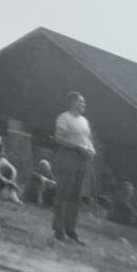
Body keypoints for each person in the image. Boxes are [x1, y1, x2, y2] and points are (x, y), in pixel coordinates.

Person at [51, 92, 96, 246]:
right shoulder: (64, 118)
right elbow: (58, 138)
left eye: (84, 102)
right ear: (72, 102)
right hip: (68, 156)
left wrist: (91, 149)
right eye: (81, 102)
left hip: (82, 159)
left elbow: (87, 139)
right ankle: (59, 229)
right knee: (63, 192)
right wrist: (77, 148)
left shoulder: (84, 121)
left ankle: (71, 230)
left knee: (75, 196)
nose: (83, 105)